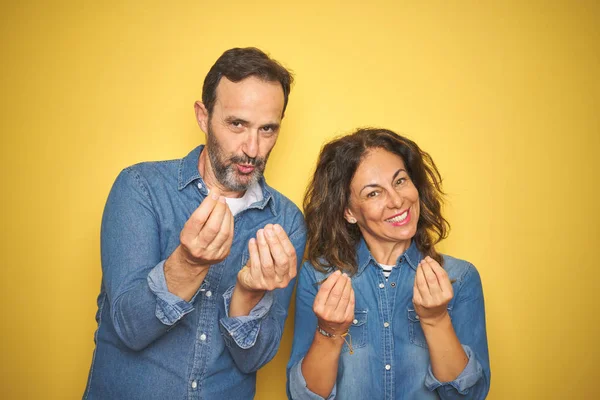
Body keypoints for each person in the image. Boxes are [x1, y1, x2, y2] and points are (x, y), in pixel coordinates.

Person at [84, 47, 306, 399]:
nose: (252, 148)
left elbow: (255, 361)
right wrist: (188, 263)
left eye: (267, 129)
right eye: (237, 124)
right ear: (203, 117)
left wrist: (248, 295)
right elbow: (129, 327)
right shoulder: (141, 188)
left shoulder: (286, 222)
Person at [287, 128, 490, 399]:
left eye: (400, 181)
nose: (397, 201)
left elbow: (469, 396)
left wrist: (436, 320)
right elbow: (301, 397)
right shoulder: (318, 277)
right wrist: (330, 332)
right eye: (373, 193)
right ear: (348, 211)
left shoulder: (460, 277)